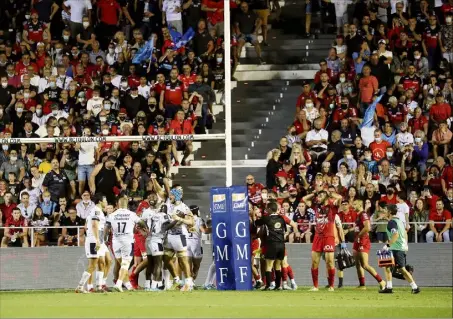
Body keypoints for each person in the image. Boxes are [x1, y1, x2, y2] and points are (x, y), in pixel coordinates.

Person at [303, 190, 345, 291]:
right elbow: (304, 199)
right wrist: (314, 193)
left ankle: (331, 286)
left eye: (321, 196)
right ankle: (315, 286)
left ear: (326, 197)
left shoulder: (332, 206)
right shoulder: (316, 206)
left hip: (328, 237)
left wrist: (330, 194)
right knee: (314, 262)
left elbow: (340, 198)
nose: (318, 198)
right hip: (317, 237)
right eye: (318, 196)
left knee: (330, 262)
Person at [254, 201, 300, 290]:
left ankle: (268, 285)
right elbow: (286, 229)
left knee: (269, 266)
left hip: (271, 244)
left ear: (270, 209)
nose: (266, 210)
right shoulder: (282, 218)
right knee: (278, 266)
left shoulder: (266, 218)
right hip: (281, 245)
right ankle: (279, 286)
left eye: (267, 208)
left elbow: (256, 223)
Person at [105, 197, 147, 293]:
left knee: (121, 264)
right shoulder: (131, 214)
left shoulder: (112, 215)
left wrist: (105, 239)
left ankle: (128, 286)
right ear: (127, 204)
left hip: (115, 243)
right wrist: (145, 229)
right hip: (127, 242)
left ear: (118, 204)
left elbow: (106, 228)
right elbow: (141, 222)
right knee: (125, 265)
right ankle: (119, 284)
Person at [379, 204, 421, 294]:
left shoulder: (391, 223)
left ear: (390, 212)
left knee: (401, 269)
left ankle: (415, 287)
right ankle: (390, 287)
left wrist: (388, 245)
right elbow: (404, 233)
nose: (384, 211)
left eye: (386, 210)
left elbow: (395, 235)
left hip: (395, 248)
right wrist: (405, 246)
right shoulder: (399, 221)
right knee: (388, 267)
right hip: (400, 247)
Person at [162, 188, 195, 291]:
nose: (170, 197)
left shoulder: (184, 207)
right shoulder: (168, 205)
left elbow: (191, 222)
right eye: (170, 195)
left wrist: (180, 219)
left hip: (181, 236)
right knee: (166, 259)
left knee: (183, 260)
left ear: (176, 196)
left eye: (172, 195)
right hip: (170, 236)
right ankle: (176, 280)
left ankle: (189, 283)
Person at [353, 200, 386, 290]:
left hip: (363, 241)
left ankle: (381, 281)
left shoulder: (363, 214)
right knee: (357, 264)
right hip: (357, 241)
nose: (353, 206)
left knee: (365, 265)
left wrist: (359, 235)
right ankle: (362, 285)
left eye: (355, 204)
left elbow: (368, 227)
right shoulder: (358, 215)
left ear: (360, 204)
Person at [75, 199, 101, 294]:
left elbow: (86, 226)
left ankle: (81, 286)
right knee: (92, 265)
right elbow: (94, 225)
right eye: (105, 201)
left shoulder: (91, 212)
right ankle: (80, 286)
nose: (106, 203)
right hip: (93, 241)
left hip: (91, 240)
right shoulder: (96, 211)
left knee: (93, 265)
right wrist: (97, 240)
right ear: (101, 201)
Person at [187, 205, 212, 284]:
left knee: (188, 265)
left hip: (186, 243)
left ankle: (189, 282)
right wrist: (214, 227)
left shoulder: (186, 219)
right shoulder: (199, 219)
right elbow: (204, 231)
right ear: (197, 211)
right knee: (196, 265)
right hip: (196, 244)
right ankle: (192, 281)